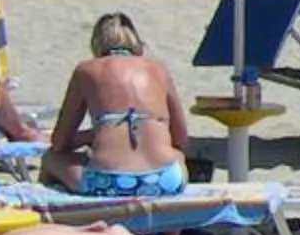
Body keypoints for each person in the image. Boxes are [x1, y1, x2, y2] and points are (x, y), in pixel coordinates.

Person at [45, 12, 196, 199]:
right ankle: (171, 229)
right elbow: (181, 139)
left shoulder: (87, 70)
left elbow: (60, 143)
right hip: (167, 179)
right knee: (175, 155)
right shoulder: (159, 69)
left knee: (51, 158)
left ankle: (51, 224)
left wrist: (92, 136)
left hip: (109, 182)